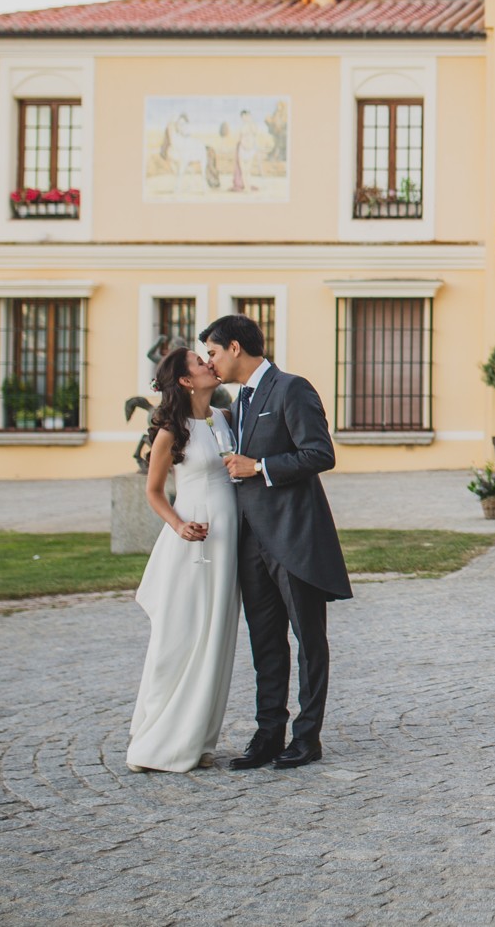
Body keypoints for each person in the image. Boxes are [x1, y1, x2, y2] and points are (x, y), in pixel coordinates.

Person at [201, 314, 350, 772]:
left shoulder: (291, 387)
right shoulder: (236, 402)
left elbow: (320, 452)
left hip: (294, 536)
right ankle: (267, 735)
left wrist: (260, 466)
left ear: (234, 348)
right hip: (249, 541)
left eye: (212, 352)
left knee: (309, 641)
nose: (210, 361)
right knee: (264, 642)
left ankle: (307, 738)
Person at [126, 348, 239, 773]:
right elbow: (154, 492)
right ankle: (156, 743)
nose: (209, 363)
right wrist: (178, 525)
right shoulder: (171, 432)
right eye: (198, 361)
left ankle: (197, 738)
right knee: (182, 637)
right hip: (193, 544)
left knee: (216, 637)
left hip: (229, 542)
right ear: (187, 381)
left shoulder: (225, 420)